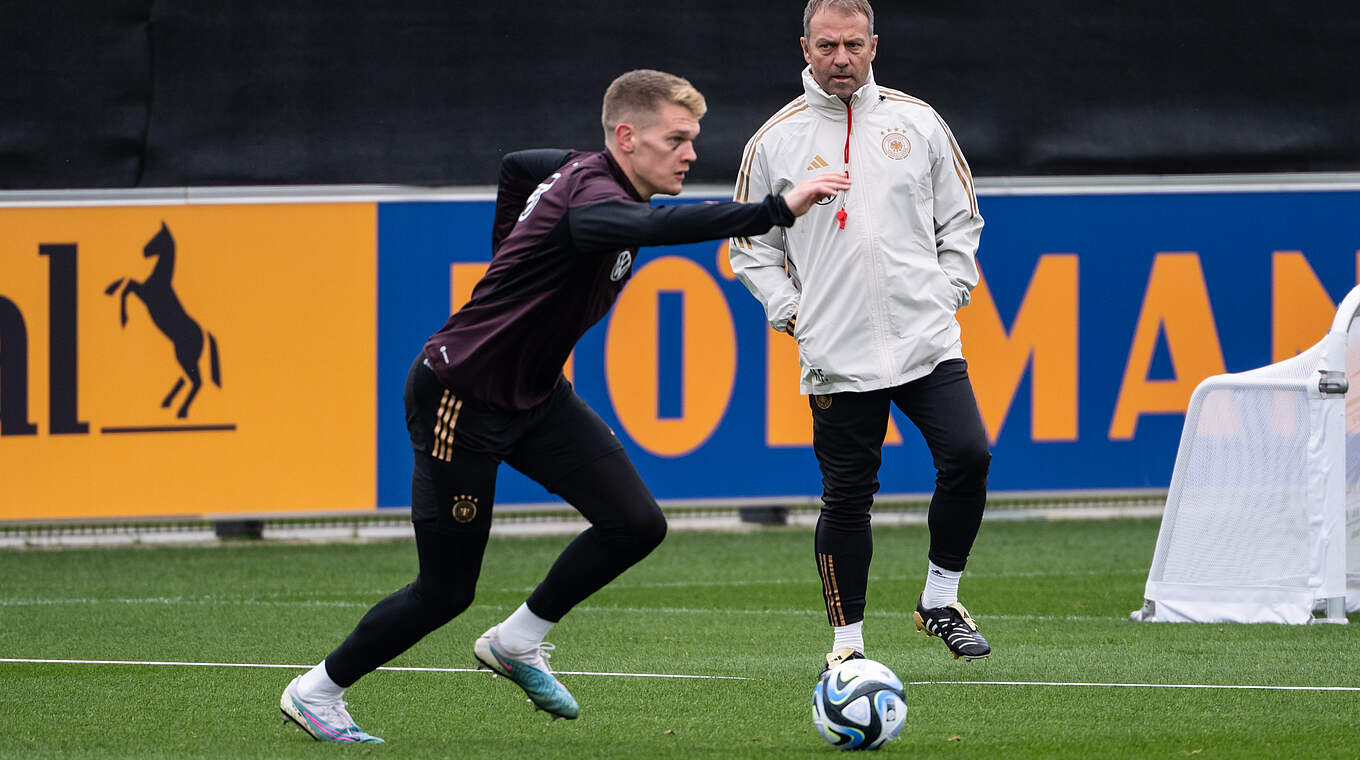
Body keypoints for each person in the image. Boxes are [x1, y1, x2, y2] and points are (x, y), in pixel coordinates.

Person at [278, 69, 851, 743]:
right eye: (678, 139)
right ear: (627, 137)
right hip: (458, 401)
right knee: (445, 591)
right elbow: (642, 226)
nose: (692, 154)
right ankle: (316, 691)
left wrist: (507, 251)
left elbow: (518, 167)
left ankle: (517, 642)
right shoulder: (596, 202)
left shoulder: (583, 172)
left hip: (534, 395)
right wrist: (775, 209)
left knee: (636, 523)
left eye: (693, 139)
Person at [730, 0, 992, 674]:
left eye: (852, 44)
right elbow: (749, 248)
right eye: (826, 46)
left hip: (925, 339)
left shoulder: (919, 121)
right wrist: (793, 315)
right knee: (848, 497)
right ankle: (847, 648)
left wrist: (948, 291)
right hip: (836, 353)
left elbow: (961, 220)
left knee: (968, 456)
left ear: (874, 45)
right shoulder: (775, 141)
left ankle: (942, 600)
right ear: (805, 47)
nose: (840, 58)